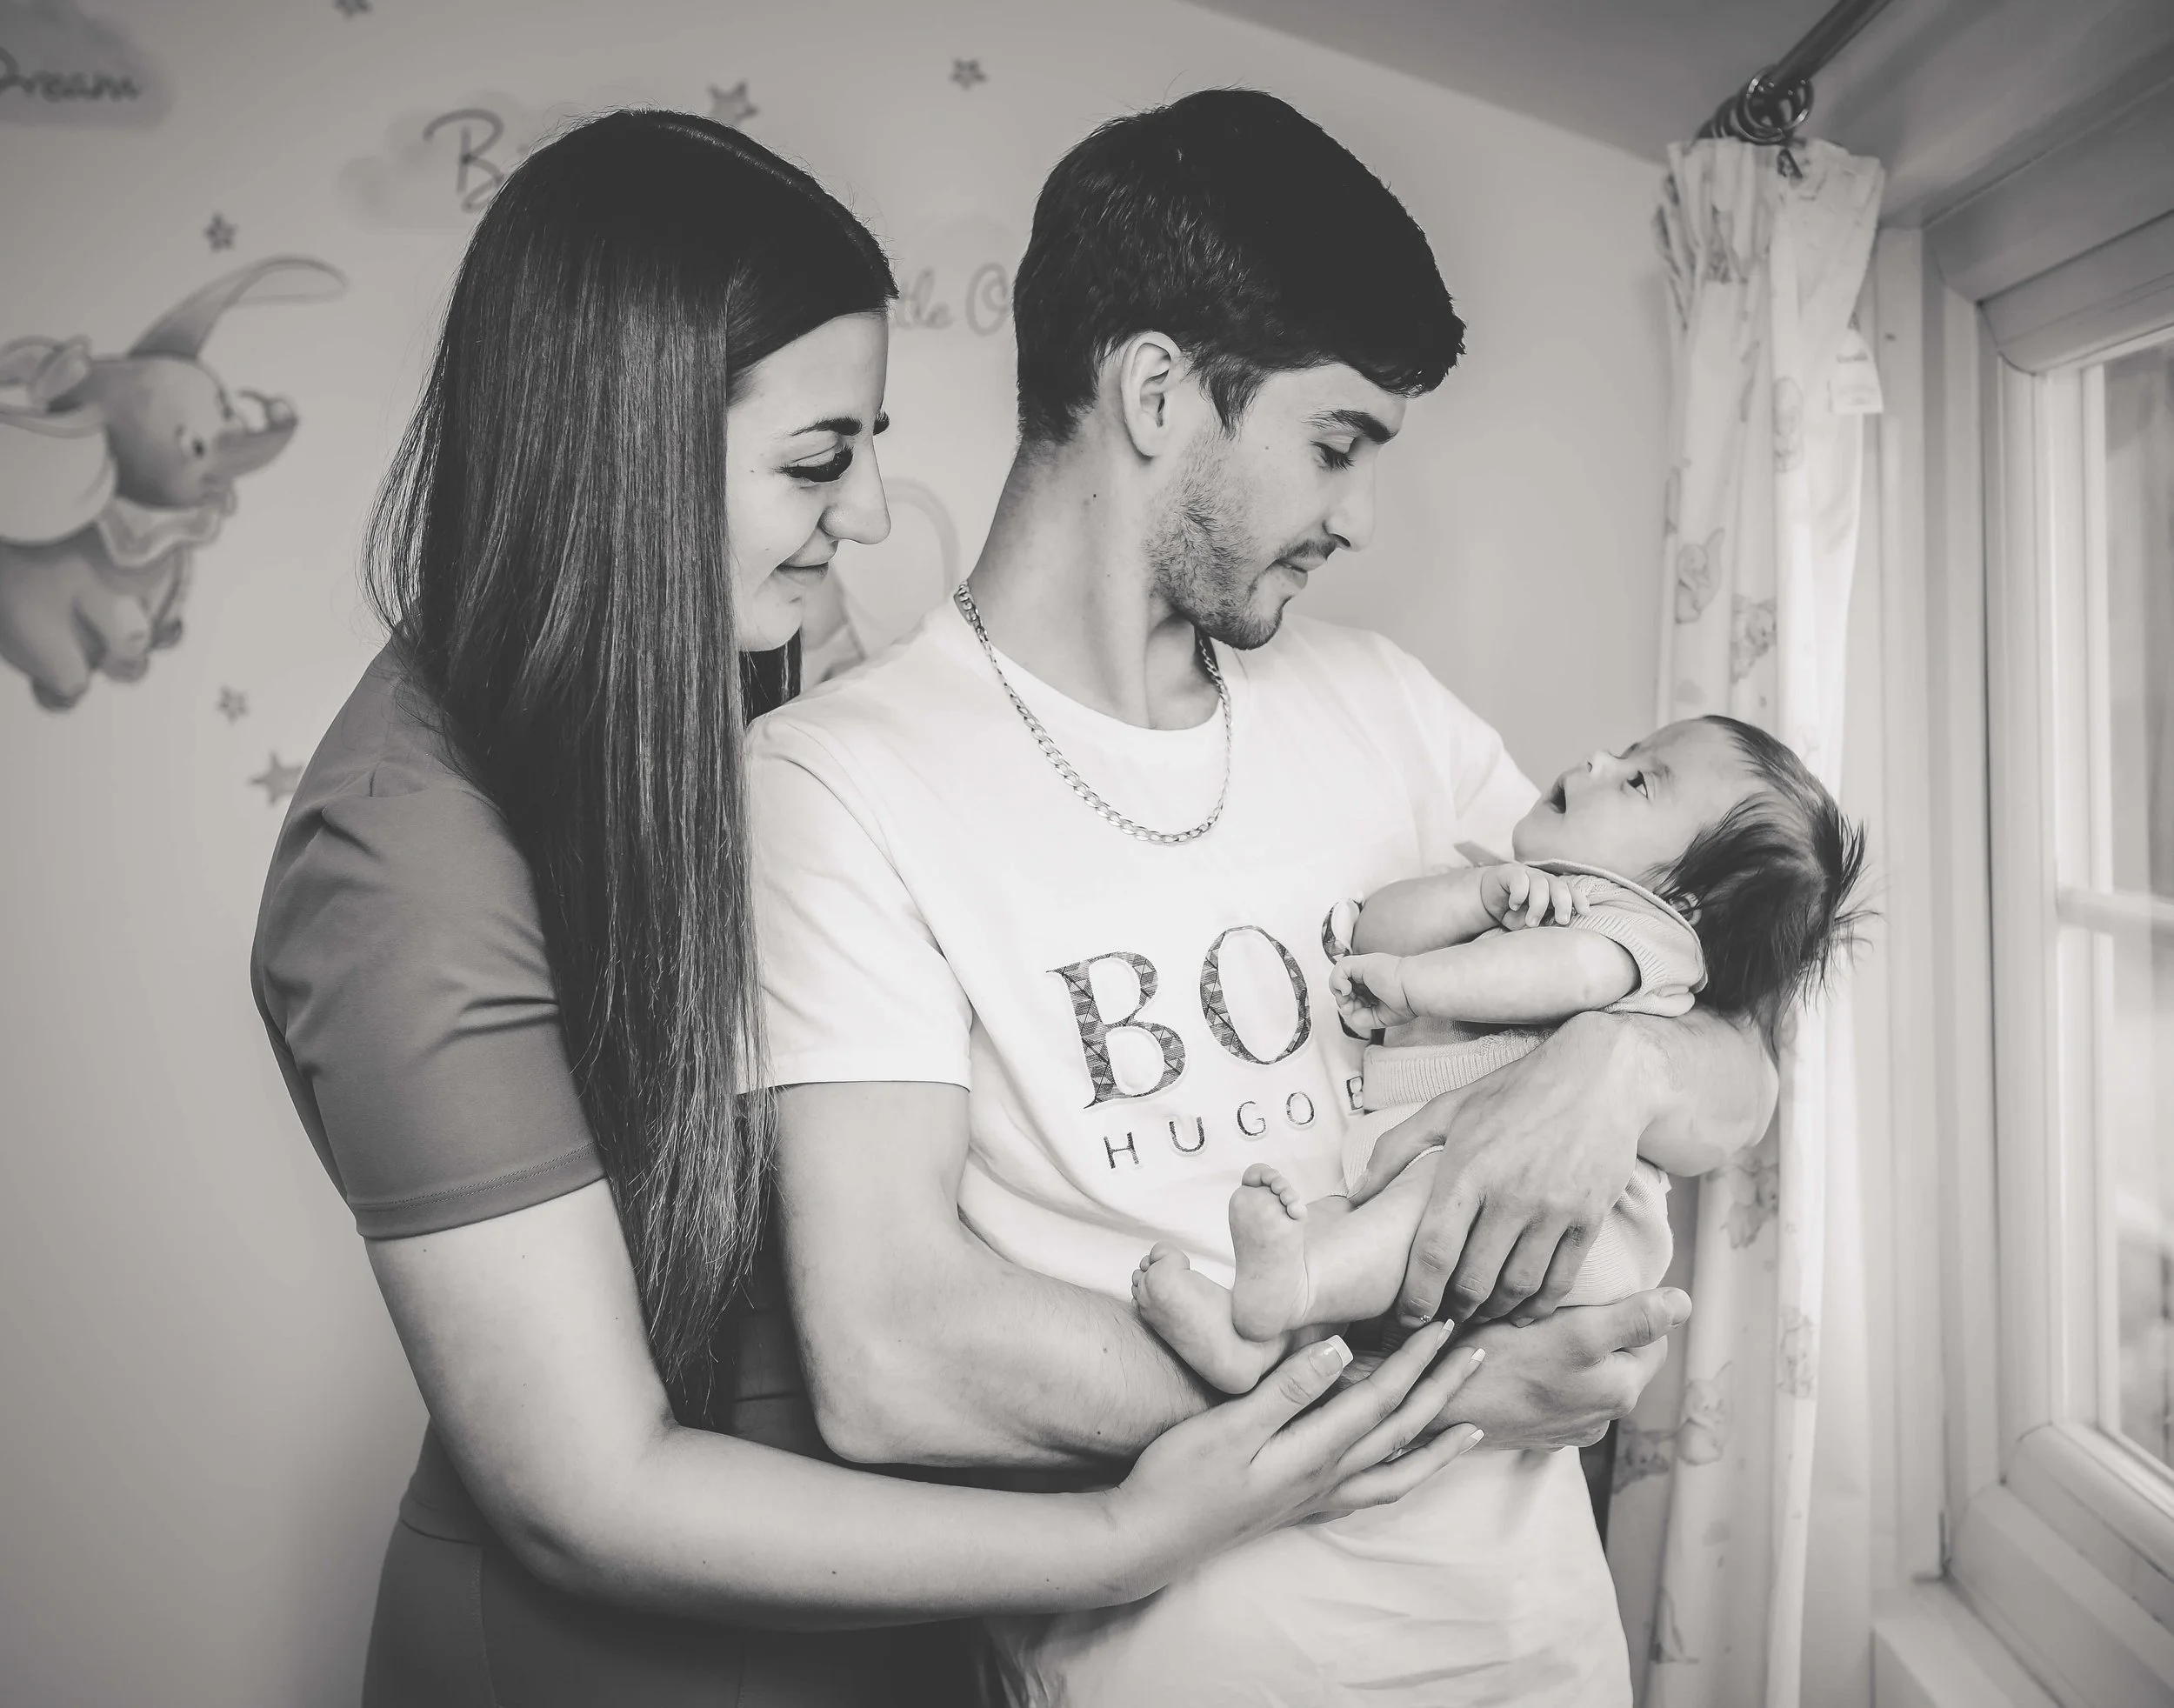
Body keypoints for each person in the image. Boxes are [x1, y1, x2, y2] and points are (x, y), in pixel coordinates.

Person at [250, 110, 1490, 1708]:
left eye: (872, 441)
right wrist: (1123, 1535)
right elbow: (586, 1489)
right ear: (622, 448)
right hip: (617, 1659)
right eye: (819, 460)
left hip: (911, 1619)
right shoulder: (396, 859)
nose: (872, 511)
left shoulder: (728, 668)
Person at [750, 90, 1777, 1706]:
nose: (1358, 516)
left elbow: (1733, 1066)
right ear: (1157, 390)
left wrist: (1622, 1064)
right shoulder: (838, 776)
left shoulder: (1387, 704)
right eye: (1337, 443)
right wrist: (1443, 1390)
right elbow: (890, 1354)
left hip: (1543, 1656)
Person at [1133, 714, 1868, 1393]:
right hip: (1436, 1177)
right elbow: (1375, 929)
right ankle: (1256, 1344)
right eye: (1627, 752)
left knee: (1407, 1210)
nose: (1600, 761)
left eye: (1640, 781)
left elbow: (1564, 973)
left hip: (1553, 1220)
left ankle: (1295, 1292)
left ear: (1680, 902)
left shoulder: (1644, 932)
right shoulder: (1521, 886)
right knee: (1346, 1225)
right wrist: (1474, 897)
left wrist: (1414, 983)